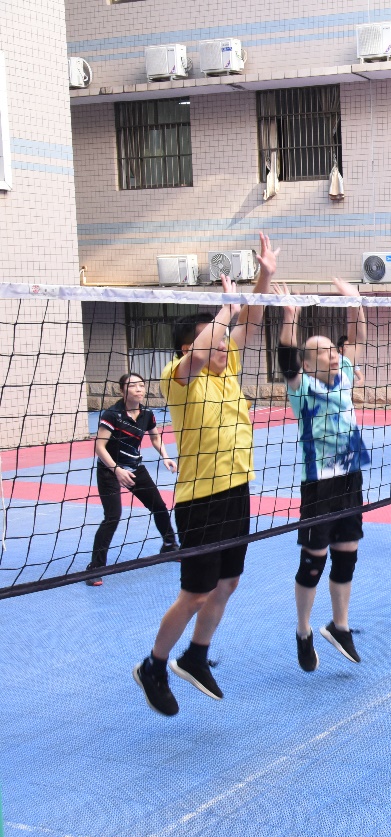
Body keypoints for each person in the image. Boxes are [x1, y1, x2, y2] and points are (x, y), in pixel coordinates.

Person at [133, 232, 279, 717]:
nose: (224, 346)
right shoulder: (178, 378)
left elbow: (251, 323)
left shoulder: (226, 367)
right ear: (188, 346)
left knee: (227, 583)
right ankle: (154, 665)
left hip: (237, 490)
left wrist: (263, 279)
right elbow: (207, 346)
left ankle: (195, 656)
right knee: (196, 592)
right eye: (216, 341)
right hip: (200, 499)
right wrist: (224, 310)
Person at [276, 278, 371, 673]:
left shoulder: (345, 373)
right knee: (313, 561)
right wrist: (290, 317)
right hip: (319, 484)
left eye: (334, 350)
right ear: (308, 362)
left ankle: (339, 625)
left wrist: (354, 301)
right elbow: (286, 355)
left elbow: (358, 336)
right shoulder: (301, 387)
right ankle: (303, 631)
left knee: (347, 554)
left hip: (350, 475)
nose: (333, 355)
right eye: (323, 352)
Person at [86, 373, 178, 586]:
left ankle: (170, 546)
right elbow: (99, 447)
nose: (139, 389)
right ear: (122, 391)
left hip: (135, 467)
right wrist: (116, 470)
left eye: (141, 385)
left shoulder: (147, 414)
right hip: (109, 470)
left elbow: (155, 437)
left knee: (159, 506)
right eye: (133, 385)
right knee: (113, 516)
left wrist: (165, 456)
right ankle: (95, 568)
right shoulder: (112, 415)